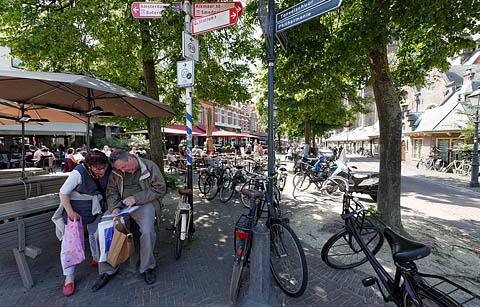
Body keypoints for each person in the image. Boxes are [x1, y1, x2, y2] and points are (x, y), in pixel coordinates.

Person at [91, 149, 166, 291]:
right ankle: (108, 270)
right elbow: (111, 191)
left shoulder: (149, 167)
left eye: (124, 167)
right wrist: (114, 207)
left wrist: (136, 198)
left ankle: (147, 267)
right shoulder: (117, 171)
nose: (123, 171)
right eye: (119, 169)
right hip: (121, 205)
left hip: (144, 203)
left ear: (131, 159)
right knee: (100, 232)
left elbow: (160, 189)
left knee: (147, 231)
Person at [52, 151, 111, 297]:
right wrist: (71, 213)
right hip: (75, 210)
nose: (101, 171)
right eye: (97, 169)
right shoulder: (78, 173)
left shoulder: (107, 169)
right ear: (89, 166)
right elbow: (63, 193)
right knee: (69, 244)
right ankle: (69, 277)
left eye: (103, 168)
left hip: (95, 208)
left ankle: (96, 258)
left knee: (96, 234)